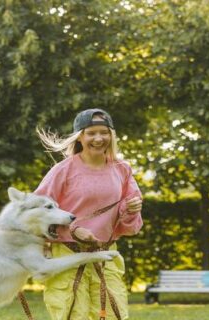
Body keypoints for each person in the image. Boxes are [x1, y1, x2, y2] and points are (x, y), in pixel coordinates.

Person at [33, 108, 143, 320]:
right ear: (80, 137)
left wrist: (130, 210)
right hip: (67, 255)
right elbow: (37, 213)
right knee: (74, 314)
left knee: (114, 314)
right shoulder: (62, 171)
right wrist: (73, 230)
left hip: (106, 254)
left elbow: (131, 226)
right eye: (91, 133)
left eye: (104, 132)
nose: (98, 138)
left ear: (111, 135)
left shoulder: (122, 169)